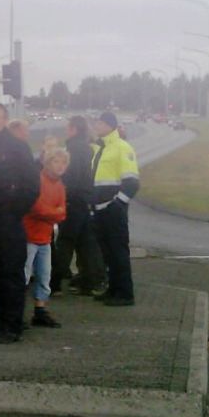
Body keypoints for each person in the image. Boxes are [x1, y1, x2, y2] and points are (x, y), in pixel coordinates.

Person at [0, 102, 40, 344]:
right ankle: (1, 321)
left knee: (11, 272)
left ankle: (13, 326)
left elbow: (32, 186)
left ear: (4, 120)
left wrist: (13, 211)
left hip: (9, 220)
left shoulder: (17, 147)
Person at [50, 115, 105, 296]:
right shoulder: (88, 149)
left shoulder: (71, 149)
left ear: (74, 128)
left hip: (72, 201)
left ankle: (55, 282)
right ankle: (91, 281)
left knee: (65, 242)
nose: (67, 130)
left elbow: (70, 177)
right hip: (85, 200)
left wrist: (62, 196)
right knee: (86, 243)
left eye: (68, 127)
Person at [91, 111, 140, 306]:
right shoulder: (100, 149)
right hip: (100, 210)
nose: (97, 126)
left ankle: (125, 293)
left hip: (113, 210)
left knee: (118, 252)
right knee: (108, 253)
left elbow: (132, 182)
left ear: (110, 125)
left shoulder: (122, 148)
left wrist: (118, 203)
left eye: (100, 123)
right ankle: (113, 289)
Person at [24, 148, 69, 329]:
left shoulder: (60, 185)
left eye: (63, 163)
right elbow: (36, 208)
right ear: (47, 163)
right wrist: (54, 213)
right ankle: (16, 311)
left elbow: (63, 212)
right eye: (56, 162)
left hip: (45, 236)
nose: (60, 166)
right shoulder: (38, 181)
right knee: (24, 275)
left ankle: (40, 310)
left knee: (44, 276)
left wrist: (52, 213)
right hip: (29, 235)